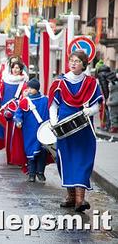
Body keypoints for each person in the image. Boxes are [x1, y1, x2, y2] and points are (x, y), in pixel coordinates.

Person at [48, 50, 103, 212]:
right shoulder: (59, 83)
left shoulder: (91, 83)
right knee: (65, 160)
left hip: (84, 129)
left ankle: (80, 199)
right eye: (71, 60)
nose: (73, 63)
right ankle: (71, 196)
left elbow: (97, 105)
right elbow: (53, 105)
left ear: (84, 64)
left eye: (77, 61)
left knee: (83, 161)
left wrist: (89, 111)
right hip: (64, 130)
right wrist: (53, 122)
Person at [0, 60, 28, 165]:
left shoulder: (24, 83)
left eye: (17, 68)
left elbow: (24, 98)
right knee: (7, 135)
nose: (15, 70)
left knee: (15, 136)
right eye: (13, 67)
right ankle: (9, 157)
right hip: (4, 111)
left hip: (16, 112)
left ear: (21, 70)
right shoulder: (4, 80)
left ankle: (16, 157)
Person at [14, 79, 49, 182]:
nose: (29, 90)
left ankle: (40, 172)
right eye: (28, 87)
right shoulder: (25, 101)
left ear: (37, 89)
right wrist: (18, 121)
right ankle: (32, 174)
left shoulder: (45, 100)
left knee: (43, 152)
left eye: (31, 88)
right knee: (31, 153)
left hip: (43, 131)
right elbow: (18, 113)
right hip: (29, 132)